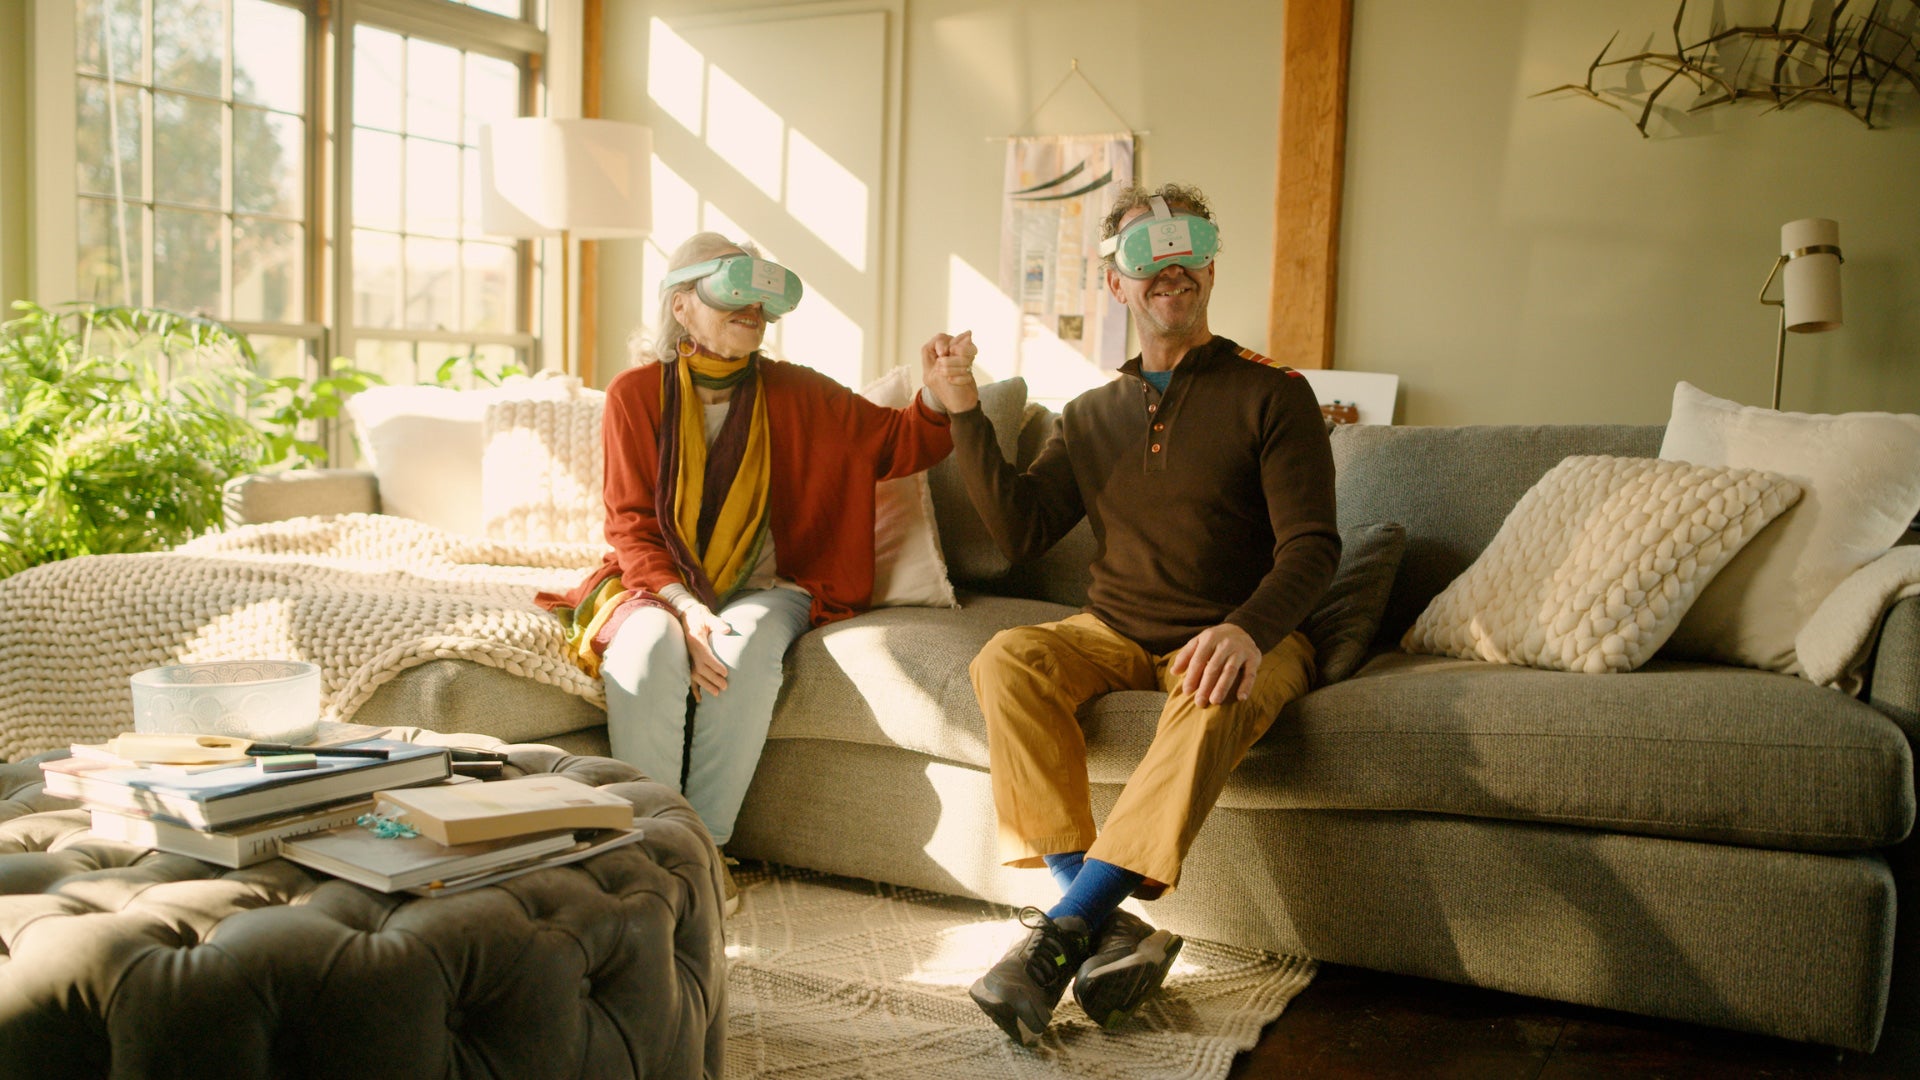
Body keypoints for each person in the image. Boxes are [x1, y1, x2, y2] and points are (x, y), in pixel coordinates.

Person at [920, 182, 1340, 1043]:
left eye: (1185, 247)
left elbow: (1314, 548)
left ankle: (1060, 934)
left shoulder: (1275, 393)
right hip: (1111, 630)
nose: (1169, 267)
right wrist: (964, 409)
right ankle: (1106, 924)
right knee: (1007, 658)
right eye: (1145, 256)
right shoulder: (1090, 415)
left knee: (1215, 684)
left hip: (1248, 631)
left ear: (1211, 263)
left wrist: (1246, 630)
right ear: (1117, 284)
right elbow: (1022, 532)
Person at [538, 232, 957, 911]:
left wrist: (937, 397)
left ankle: (699, 854)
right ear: (682, 305)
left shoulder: (796, 392)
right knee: (645, 651)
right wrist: (683, 606)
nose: (755, 310)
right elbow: (631, 526)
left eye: (763, 302)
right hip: (659, 581)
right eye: (736, 294)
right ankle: (644, 849)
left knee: (739, 648)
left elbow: (897, 442)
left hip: (770, 587)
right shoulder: (635, 395)